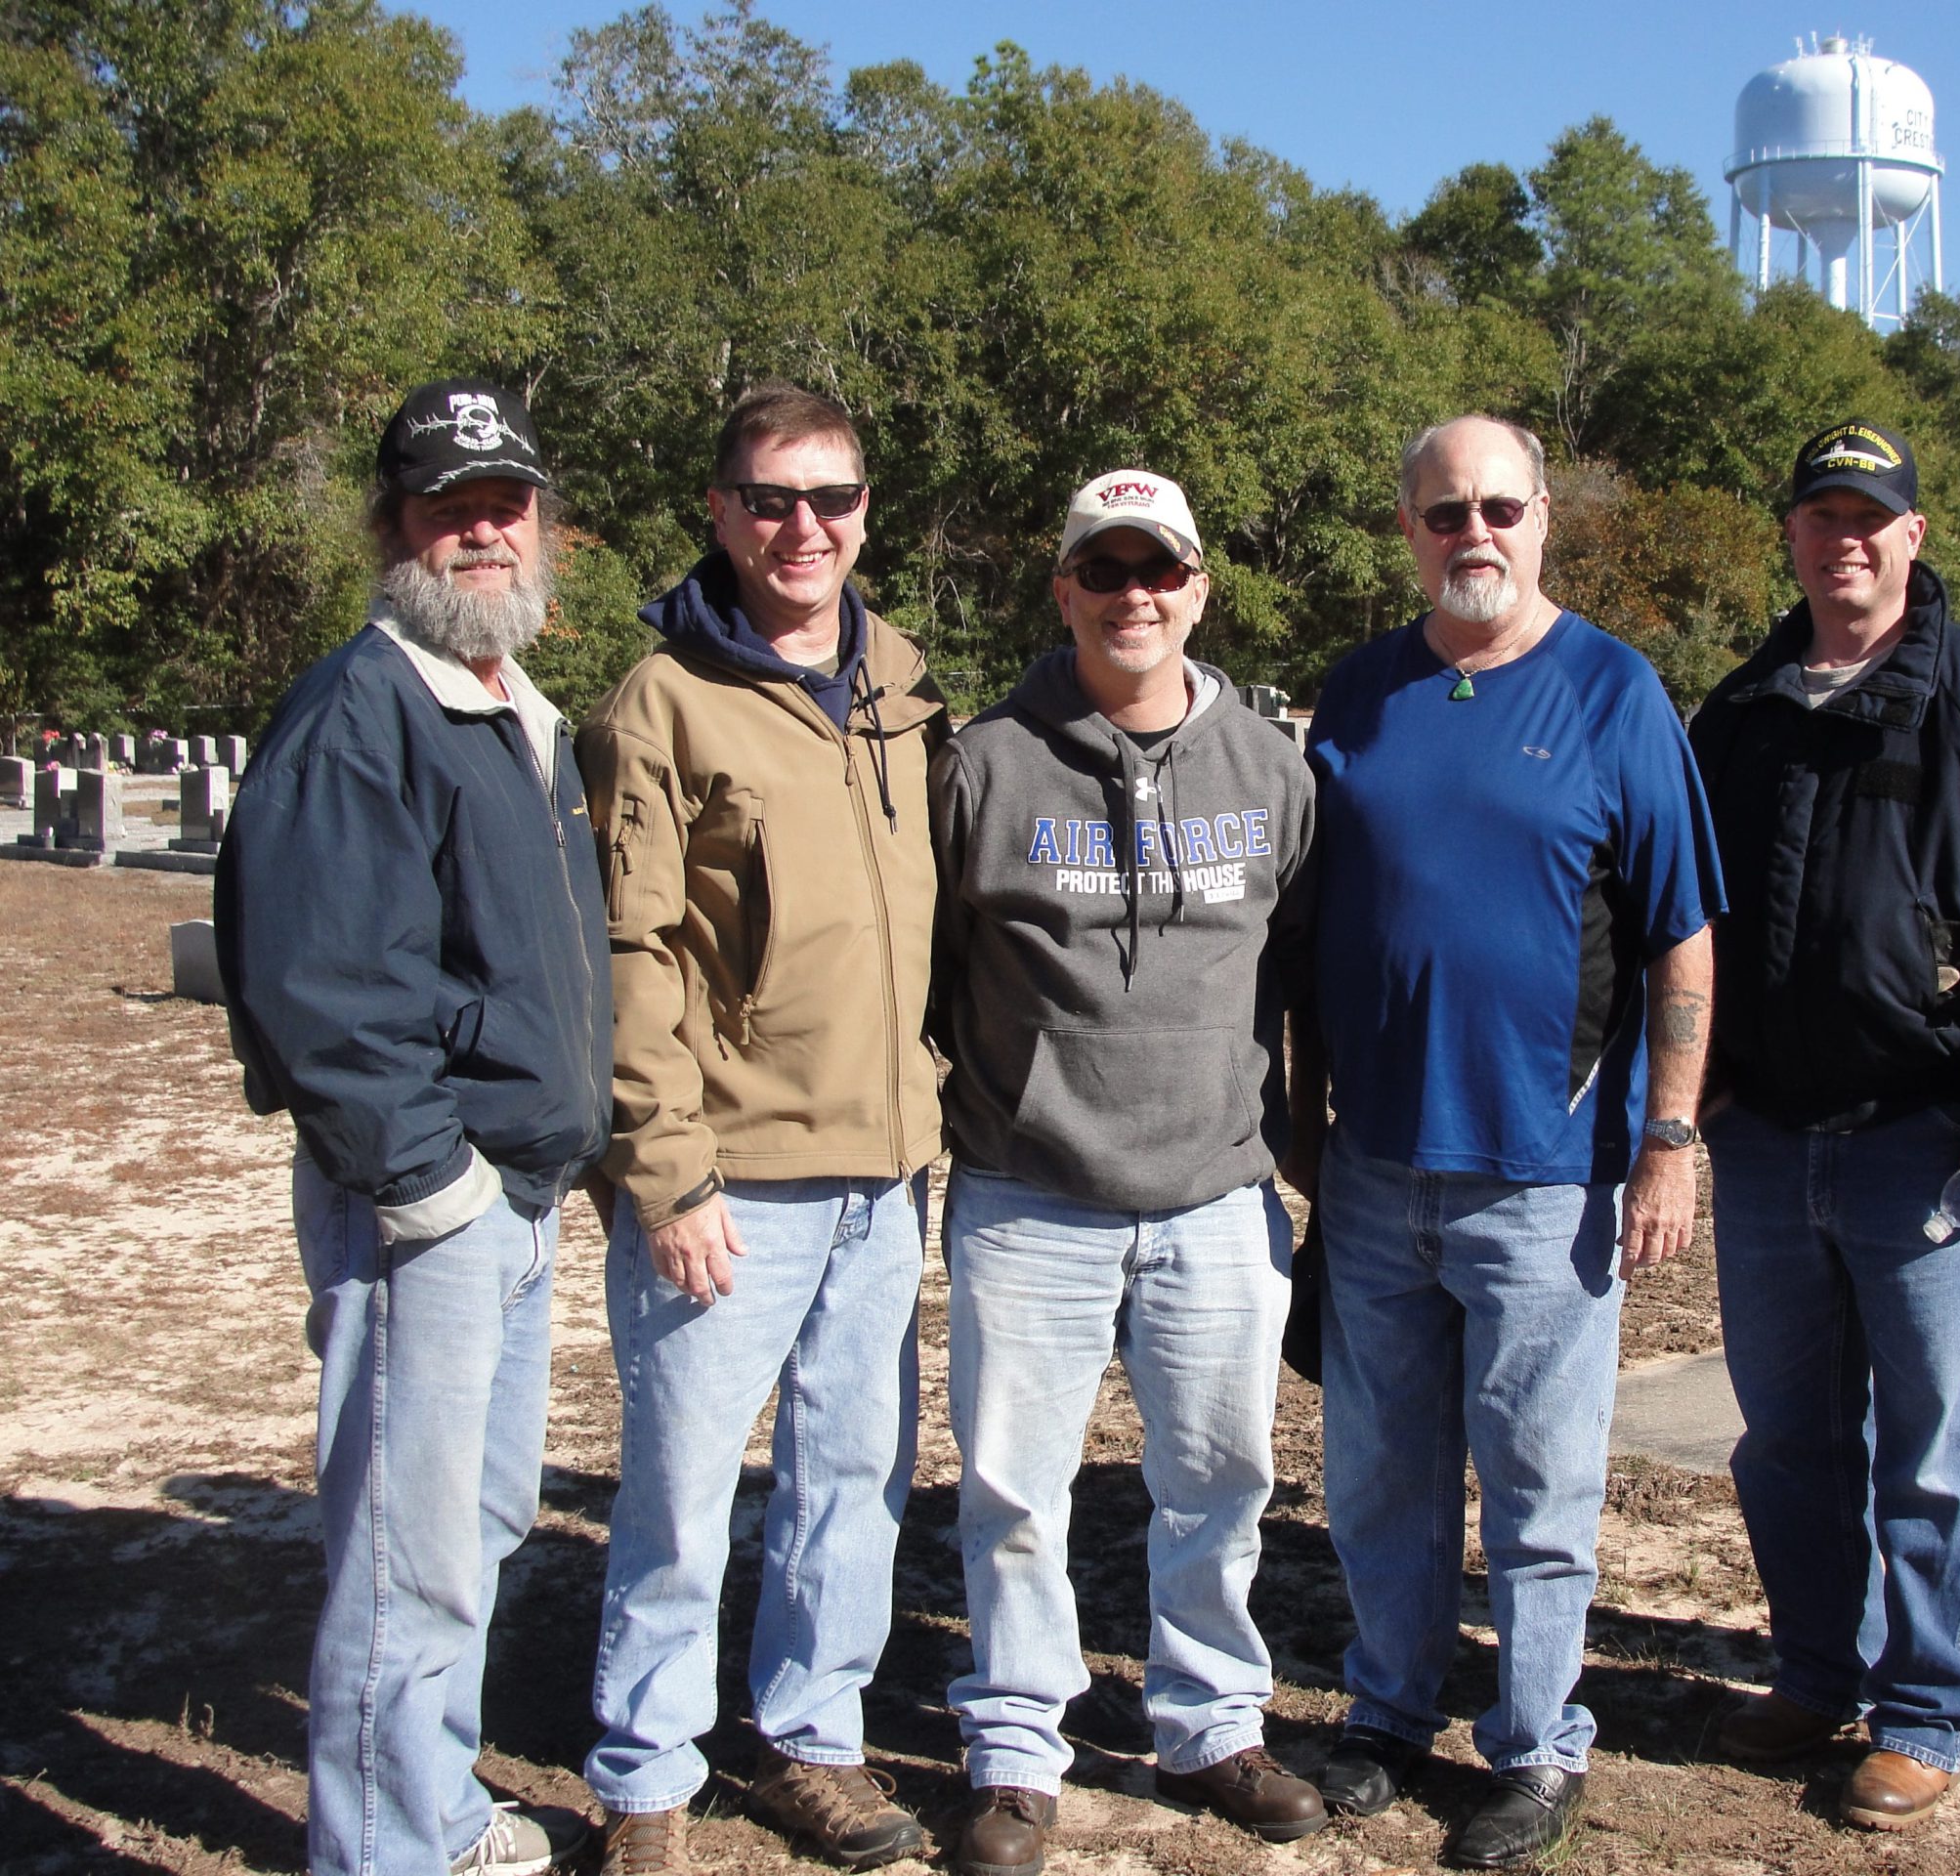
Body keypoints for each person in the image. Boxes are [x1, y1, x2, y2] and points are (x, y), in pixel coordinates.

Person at [1684, 420, 1960, 1830]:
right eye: (1821, 516)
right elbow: (1677, 914)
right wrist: (1690, 1092)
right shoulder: (1743, 707)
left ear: (1913, 537)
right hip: (1765, 1141)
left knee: (1935, 1446)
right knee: (1789, 1440)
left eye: (1871, 517)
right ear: (1794, 538)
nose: (1845, 540)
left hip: (1925, 1144)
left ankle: (1932, 1708)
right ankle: (1817, 1669)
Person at [1300, 415, 1723, 1868]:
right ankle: (1387, 1710)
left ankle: (1537, 1747)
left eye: (1497, 507)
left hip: (1551, 1181)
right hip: (1372, 1173)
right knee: (1378, 1473)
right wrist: (1306, 1125)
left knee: (1541, 1487)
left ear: (1543, 517)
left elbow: (1681, 938)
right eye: (1441, 513)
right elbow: (1304, 931)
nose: (1470, 533)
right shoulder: (1358, 698)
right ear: (1406, 528)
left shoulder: (1616, 693)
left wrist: (1668, 1139)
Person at [216, 378, 610, 1876]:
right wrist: (427, 1186)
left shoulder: (509, 707)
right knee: (406, 1560)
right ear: (394, 527)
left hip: (512, 1200)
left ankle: (432, 1810)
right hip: (429, 1208)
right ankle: (377, 1849)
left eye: (504, 505)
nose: (482, 533)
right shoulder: (360, 709)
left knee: (476, 1532)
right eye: (448, 508)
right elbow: (319, 985)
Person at [576, 384, 950, 1876]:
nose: (807, 527)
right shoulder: (656, 704)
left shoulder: (906, 691)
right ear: (722, 515)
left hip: (884, 1174)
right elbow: (628, 952)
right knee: (678, 1493)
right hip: (728, 1184)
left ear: (867, 513)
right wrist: (664, 1174)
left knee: (849, 1481)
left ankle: (813, 1741)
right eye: (774, 500)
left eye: (835, 499)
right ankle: (647, 1775)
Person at [929, 469, 1324, 1876]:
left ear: (1200, 590)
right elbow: (935, 977)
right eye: (1105, 569)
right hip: (1027, 1195)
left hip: (1219, 1193)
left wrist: (1304, 1165)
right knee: (1018, 1491)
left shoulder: (1275, 772)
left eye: (1160, 569)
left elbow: (1304, 981)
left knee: (1221, 1480)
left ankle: (1213, 1725)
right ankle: (1019, 1752)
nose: (1133, 594)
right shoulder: (985, 763)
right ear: (1065, 592)